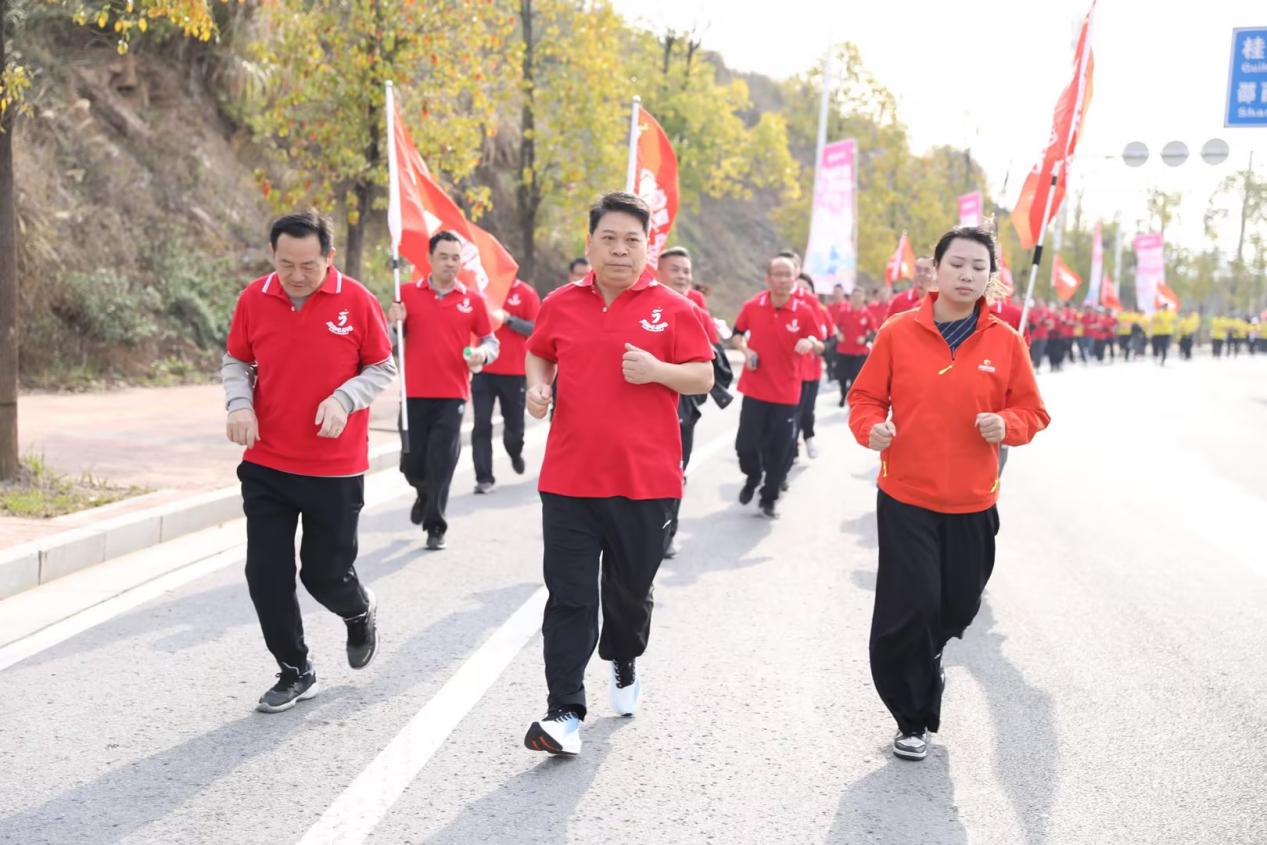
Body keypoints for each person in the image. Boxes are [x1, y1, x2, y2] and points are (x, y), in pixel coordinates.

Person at [847, 225, 1050, 762]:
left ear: (991, 277)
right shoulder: (897, 332)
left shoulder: (1006, 341)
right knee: (911, 605)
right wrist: (871, 429)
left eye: (979, 267)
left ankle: (930, 650)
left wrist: (1006, 424)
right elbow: (865, 398)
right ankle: (911, 716)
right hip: (906, 495)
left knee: (958, 603)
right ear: (935, 269)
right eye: (956, 264)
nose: (966, 274)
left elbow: (1033, 412)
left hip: (972, 501)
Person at [521, 192, 714, 757]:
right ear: (590, 244)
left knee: (628, 595)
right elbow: (540, 351)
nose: (620, 250)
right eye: (609, 238)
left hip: (645, 483)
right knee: (570, 598)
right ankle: (564, 712)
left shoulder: (674, 308)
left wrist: (657, 370)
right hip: (569, 480)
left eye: (632, 240)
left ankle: (624, 656)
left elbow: (702, 375)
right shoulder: (560, 303)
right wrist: (537, 385)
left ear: (647, 246)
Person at [222, 210, 394, 713]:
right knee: (265, 573)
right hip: (268, 463)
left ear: (329, 257)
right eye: (286, 264)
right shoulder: (254, 298)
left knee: (324, 575)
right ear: (273, 255)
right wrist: (239, 404)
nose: (296, 276)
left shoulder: (356, 301)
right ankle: (295, 669)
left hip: (334, 468)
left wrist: (343, 399)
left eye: (308, 265)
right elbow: (237, 359)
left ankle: (358, 611)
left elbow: (382, 366)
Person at [388, 231, 500, 551]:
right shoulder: (406, 294)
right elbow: (388, 342)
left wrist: (482, 354)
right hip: (413, 393)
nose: (450, 263)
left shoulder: (472, 300)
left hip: (453, 394)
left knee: (442, 462)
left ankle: (436, 526)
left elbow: (491, 341)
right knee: (411, 463)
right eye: (444, 257)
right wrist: (394, 323)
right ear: (430, 259)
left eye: (455, 258)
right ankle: (423, 492)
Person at [731, 256, 822, 518]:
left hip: (787, 393)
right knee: (745, 446)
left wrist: (810, 343)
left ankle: (769, 497)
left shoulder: (804, 311)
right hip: (755, 389)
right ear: (768, 278)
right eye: (778, 274)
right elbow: (737, 334)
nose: (783, 279)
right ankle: (753, 476)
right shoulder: (753, 306)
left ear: (794, 279)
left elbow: (820, 343)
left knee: (780, 451)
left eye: (788, 275)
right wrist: (746, 351)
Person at [655, 245, 730, 559]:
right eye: (675, 270)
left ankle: (667, 534)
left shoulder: (697, 308)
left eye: (686, 271)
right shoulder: (642, 304)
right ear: (659, 272)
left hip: (682, 406)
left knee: (675, 472)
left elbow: (715, 359)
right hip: (645, 405)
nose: (682, 276)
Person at [469, 277, 540, 494]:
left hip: (514, 372)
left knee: (514, 430)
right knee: (481, 424)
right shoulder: (481, 293)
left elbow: (536, 329)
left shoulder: (526, 293)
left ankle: (514, 452)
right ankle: (484, 478)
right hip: (484, 370)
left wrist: (509, 319)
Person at [792, 273, 833, 460]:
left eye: (805, 289)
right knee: (791, 412)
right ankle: (791, 448)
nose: (801, 293)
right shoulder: (788, 308)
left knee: (806, 411)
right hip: (791, 371)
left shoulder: (820, 311)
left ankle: (808, 436)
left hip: (811, 372)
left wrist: (819, 347)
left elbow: (830, 339)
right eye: (798, 288)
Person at [834, 287, 874, 406]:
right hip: (843, 350)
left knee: (855, 378)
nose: (856, 299)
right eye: (854, 297)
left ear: (863, 298)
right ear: (850, 298)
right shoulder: (843, 312)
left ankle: (851, 399)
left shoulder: (867, 314)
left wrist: (865, 338)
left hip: (859, 353)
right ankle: (843, 394)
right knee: (841, 377)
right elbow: (835, 327)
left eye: (859, 297)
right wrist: (839, 334)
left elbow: (873, 332)